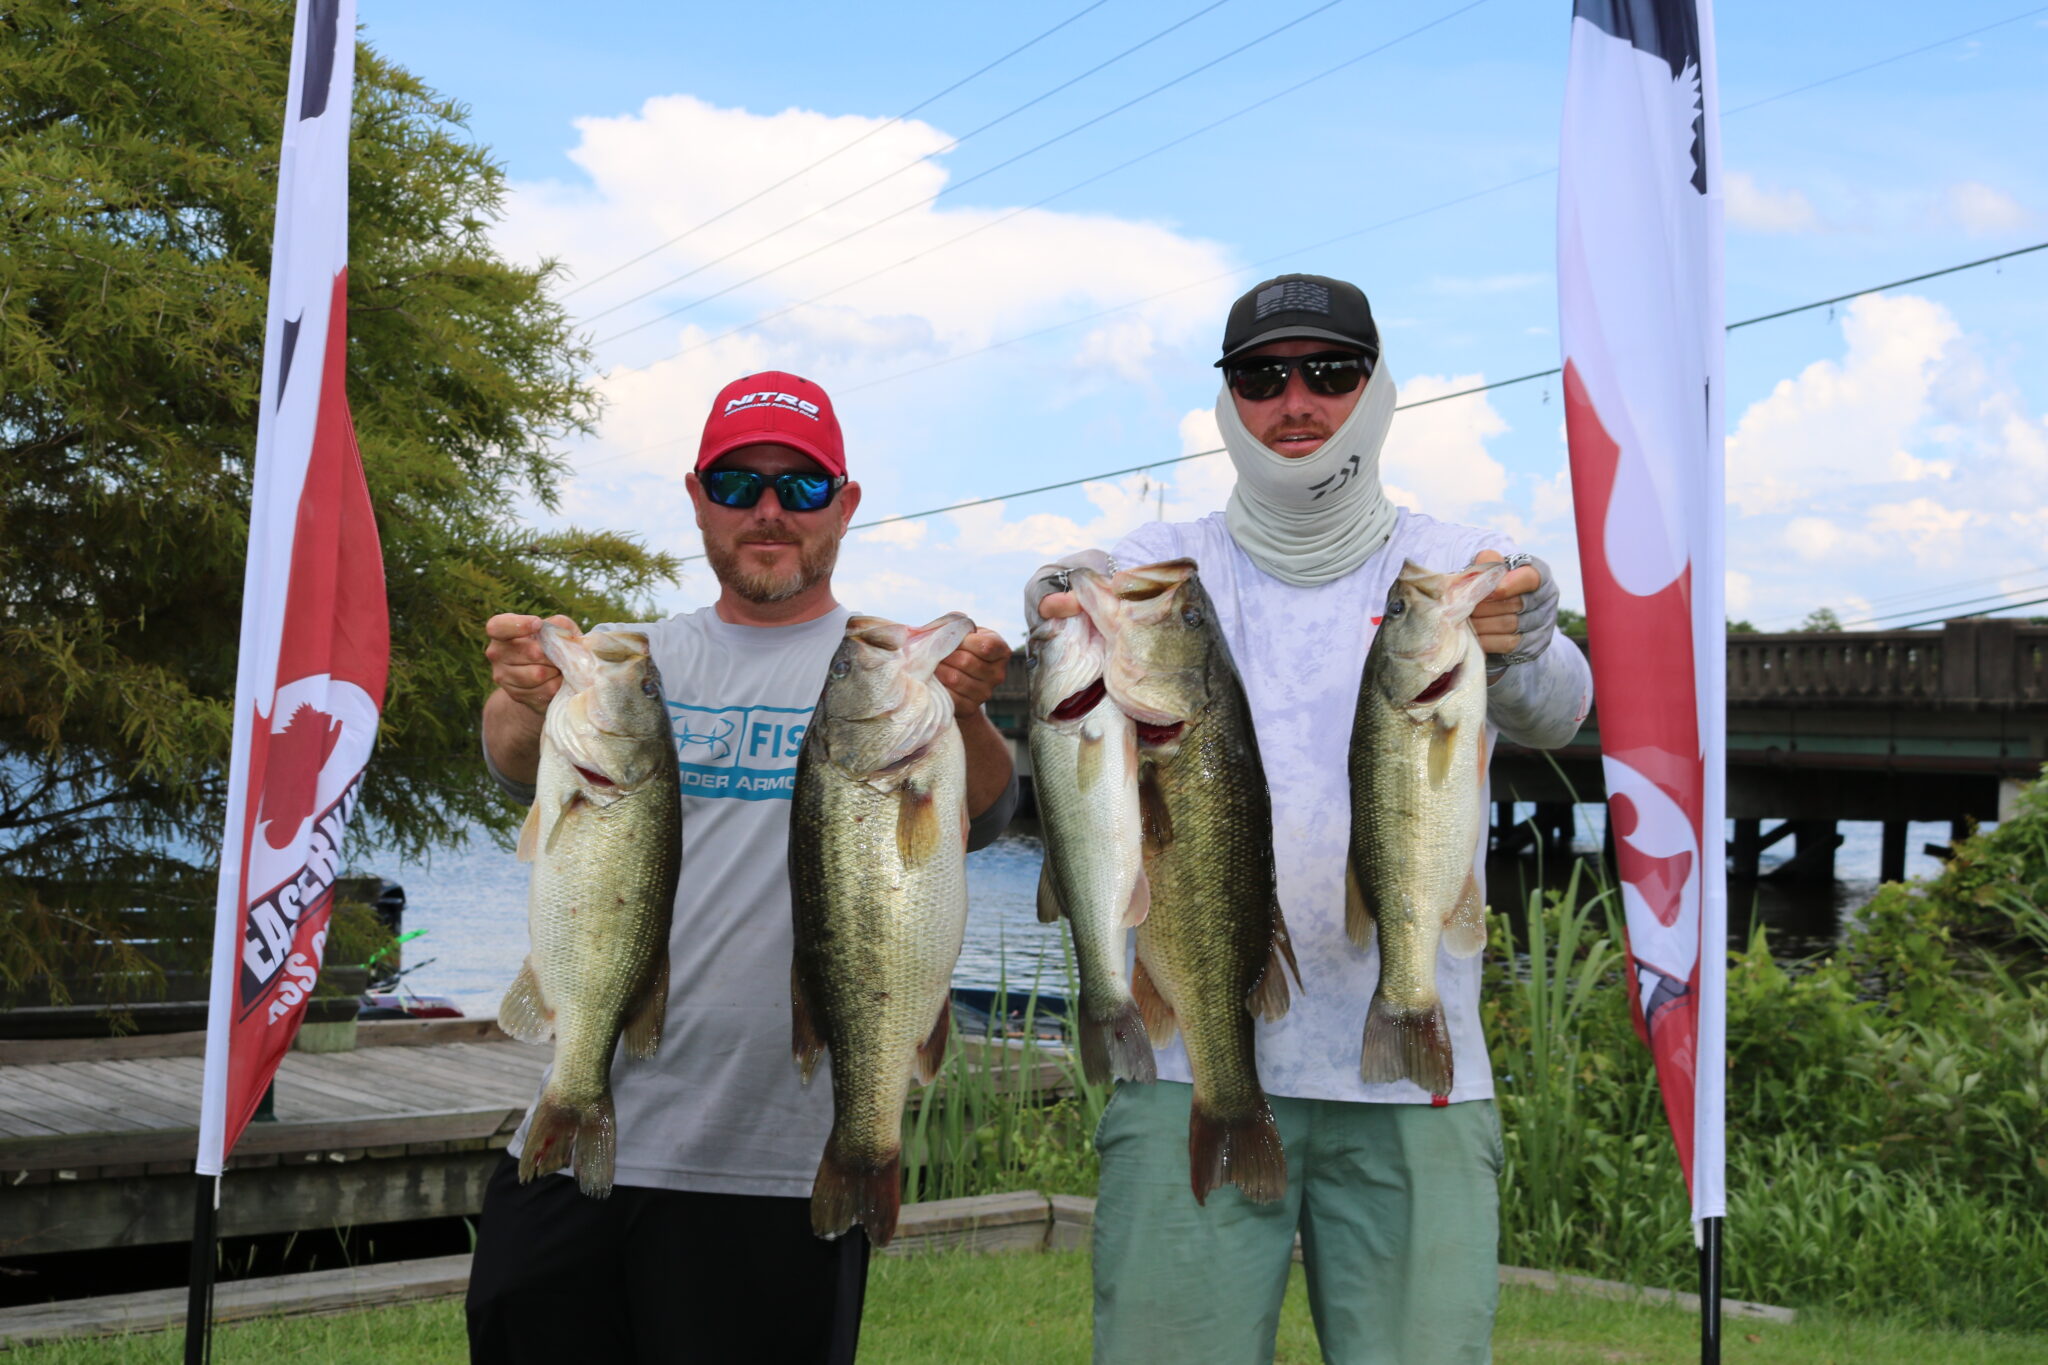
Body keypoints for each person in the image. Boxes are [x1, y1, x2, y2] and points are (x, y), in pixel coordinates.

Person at [1035, 274, 1592, 1365]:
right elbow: (1067, 584)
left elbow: (1560, 707)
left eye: (1328, 372)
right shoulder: (1162, 572)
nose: (1295, 401)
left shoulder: (1453, 560)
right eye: (1261, 376)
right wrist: (1048, 594)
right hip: (1184, 1065)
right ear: (1229, 402)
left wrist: (1523, 631)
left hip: (1413, 1073)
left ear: (1375, 388)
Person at [465, 370, 1018, 1365]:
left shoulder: (891, 671)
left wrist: (968, 714)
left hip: (778, 1164)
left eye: (801, 489)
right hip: (591, 1125)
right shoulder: (633, 661)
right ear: (696, 500)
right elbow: (516, 758)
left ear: (844, 507)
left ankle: (866, 1146)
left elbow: (978, 808)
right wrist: (522, 694)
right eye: (738, 484)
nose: (769, 511)